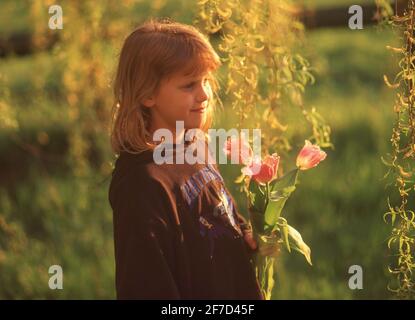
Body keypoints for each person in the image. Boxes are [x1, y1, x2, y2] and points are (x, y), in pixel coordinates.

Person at [108, 18, 262, 300]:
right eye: (189, 85)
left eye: (205, 81)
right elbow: (144, 286)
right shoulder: (142, 183)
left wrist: (245, 235)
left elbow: (217, 209)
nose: (204, 94)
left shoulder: (194, 143)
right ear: (147, 94)